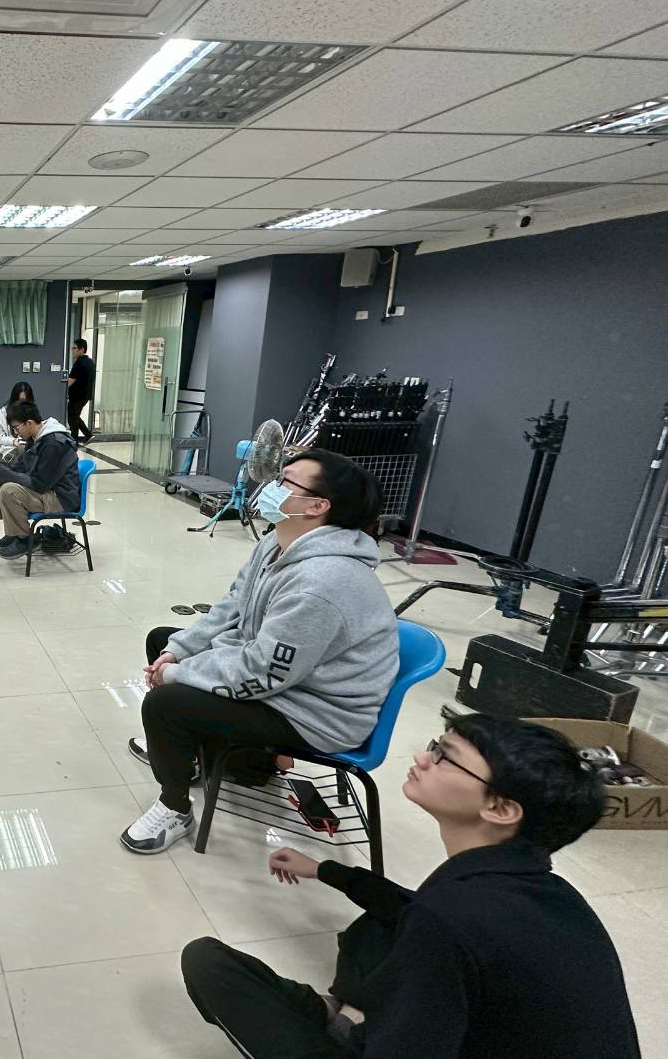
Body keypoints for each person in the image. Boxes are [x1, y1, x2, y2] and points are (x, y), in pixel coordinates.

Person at [182, 714, 640, 1058]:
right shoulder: (548, 893)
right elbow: (408, 909)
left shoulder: (451, 917)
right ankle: (343, 1014)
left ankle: (343, 1019)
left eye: (445, 757)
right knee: (385, 918)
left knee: (207, 964)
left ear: (501, 809)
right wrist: (325, 870)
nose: (422, 758)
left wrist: (366, 1025)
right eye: (434, 746)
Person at [122, 449, 399, 854]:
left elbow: (263, 672)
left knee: (166, 704)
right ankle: (188, 757)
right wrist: (180, 651)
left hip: (316, 711)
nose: (271, 487)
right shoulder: (277, 542)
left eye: (286, 482)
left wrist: (178, 674)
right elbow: (234, 603)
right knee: (163, 640)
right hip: (289, 678)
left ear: (317, 506)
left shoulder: (323, 583)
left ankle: (175, 806)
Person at [0, 400, 78, 560]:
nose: (16, 433)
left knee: (9, 491)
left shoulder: (53, 444)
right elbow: (20, 467)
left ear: (29, 423)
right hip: (46, 489)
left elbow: (39, 484)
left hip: (60, 497)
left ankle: (25, 539)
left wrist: (2, 470)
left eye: (16, 428)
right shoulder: (36, 438)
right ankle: (13, 531)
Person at [0, 382, 34, 520]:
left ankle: (14, 499)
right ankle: (5, 509)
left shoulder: (33, 416)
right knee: (1, 475)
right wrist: (13, 441)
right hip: (7, 448)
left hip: (23, 451)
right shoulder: (4, 412)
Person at [65, 338, 95, 445]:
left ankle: (75, 441)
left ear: (82, 349)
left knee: (72, 418)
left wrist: (61, 387)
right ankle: (86, 435)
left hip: (77, 396)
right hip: (85, 396)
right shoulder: (90, 362)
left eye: (75, 348)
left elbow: (71, 381)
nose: (73, 350)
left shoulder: (79, 362)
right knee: (75, 416)